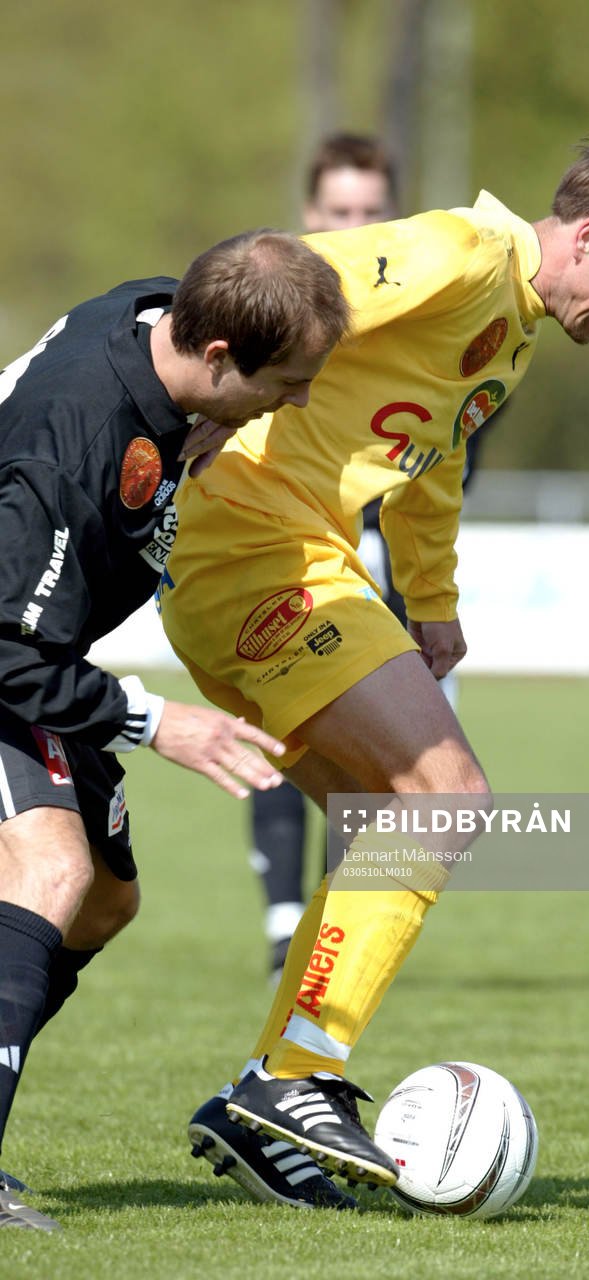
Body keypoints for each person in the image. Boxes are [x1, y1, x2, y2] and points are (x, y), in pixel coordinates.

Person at [162, 135, 589, 1191]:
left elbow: (428, 460)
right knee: (444, 797)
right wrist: (189, 399)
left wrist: (430, 601)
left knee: (385, 826)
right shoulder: (460, 253)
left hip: (267, 563)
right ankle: (296, 1072)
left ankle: (267, 1098)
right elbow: (291, 274)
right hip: (254, 547)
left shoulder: (506, 327)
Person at [0, 229, 351, 1231]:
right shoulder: (67, 445)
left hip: (33, 636)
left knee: (105, 902)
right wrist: (158, 722)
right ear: (216, 357)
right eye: (285, 382)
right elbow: (8, 651)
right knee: (50, 872)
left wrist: (209, 421)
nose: (295, 402)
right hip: (7, 648)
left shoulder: (161, 317)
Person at [252, 132, 490, 988]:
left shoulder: (434, 318)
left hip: (387, 563)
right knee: (332, 751)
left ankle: (326, 945)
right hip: (276, 550)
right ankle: (293, 929)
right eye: (339, 211)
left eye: (370, 211)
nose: (356, 224)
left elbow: (444, 453)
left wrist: (431, 589)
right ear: (313, 216)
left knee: (392, 784)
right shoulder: (280, 318)